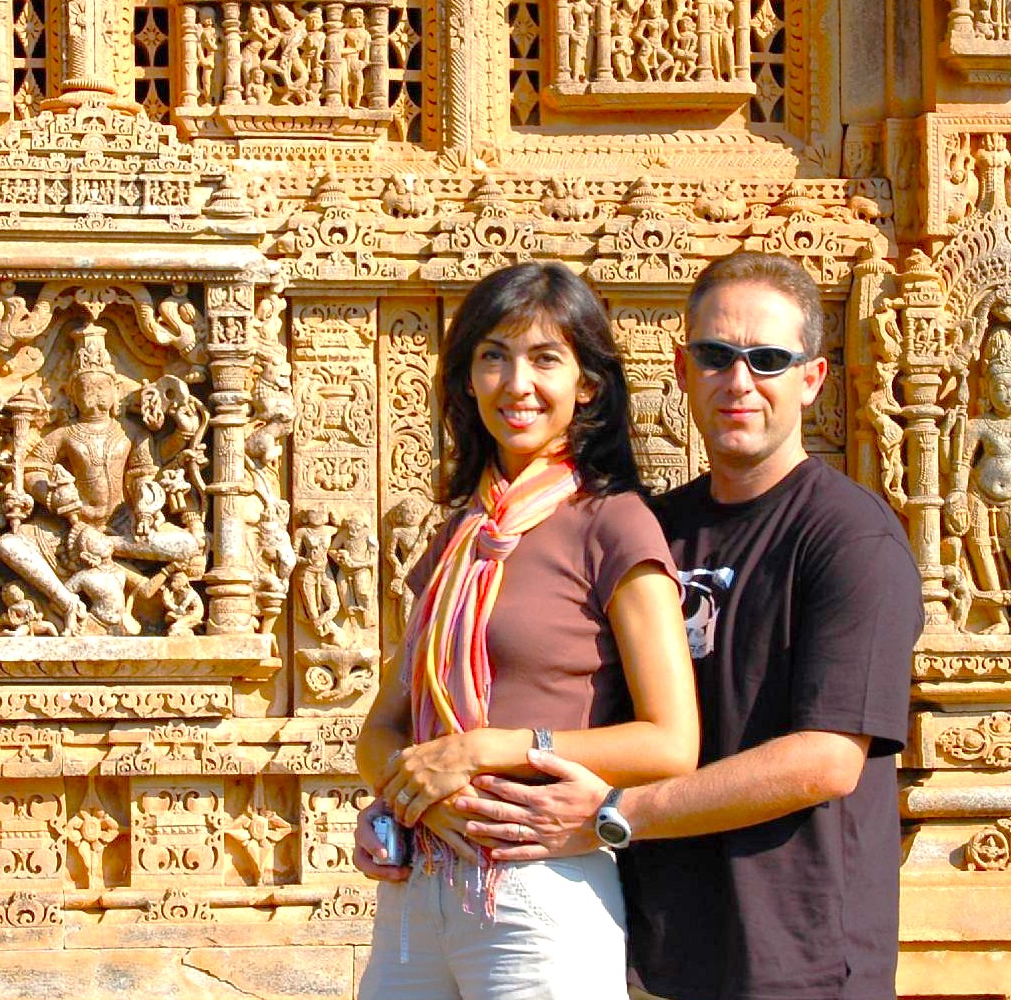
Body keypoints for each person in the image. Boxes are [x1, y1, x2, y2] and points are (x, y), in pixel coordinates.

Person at [383, 252, 923, 1000]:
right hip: (661, 944)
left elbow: (827, 758)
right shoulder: (652, 529)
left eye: (767, 359)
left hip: (797, 955)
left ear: (812, 379)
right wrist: (412, 802)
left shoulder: (845, 535)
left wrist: (608, 817)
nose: (737, 382)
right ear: (680, 367)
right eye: (714, 356)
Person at [354, 260, 700, 1000]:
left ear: (587, 385)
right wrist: (412, 794)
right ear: (466, 380)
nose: (517, 384)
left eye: (545, 359)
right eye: (493, 356)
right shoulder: (456, 539)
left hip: (539, 886)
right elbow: (380, 729)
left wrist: (496, 748)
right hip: (419, 888)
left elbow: (672, 741)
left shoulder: (612, 524)